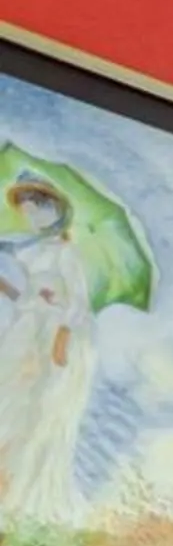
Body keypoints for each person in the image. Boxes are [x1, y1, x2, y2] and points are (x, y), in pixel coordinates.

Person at [0, 176, 102, 526]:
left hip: (53, 335)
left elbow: (77, 304)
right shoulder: (32, 249)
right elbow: (29, 299)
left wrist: (60, 339)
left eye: (40, 206)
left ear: (56, 210)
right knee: (10, 406)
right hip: (28, 330)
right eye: (27, 208)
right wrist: (6, 288)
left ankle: (22, 501)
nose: (33, 214)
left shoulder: (66, 253)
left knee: (37, 414)